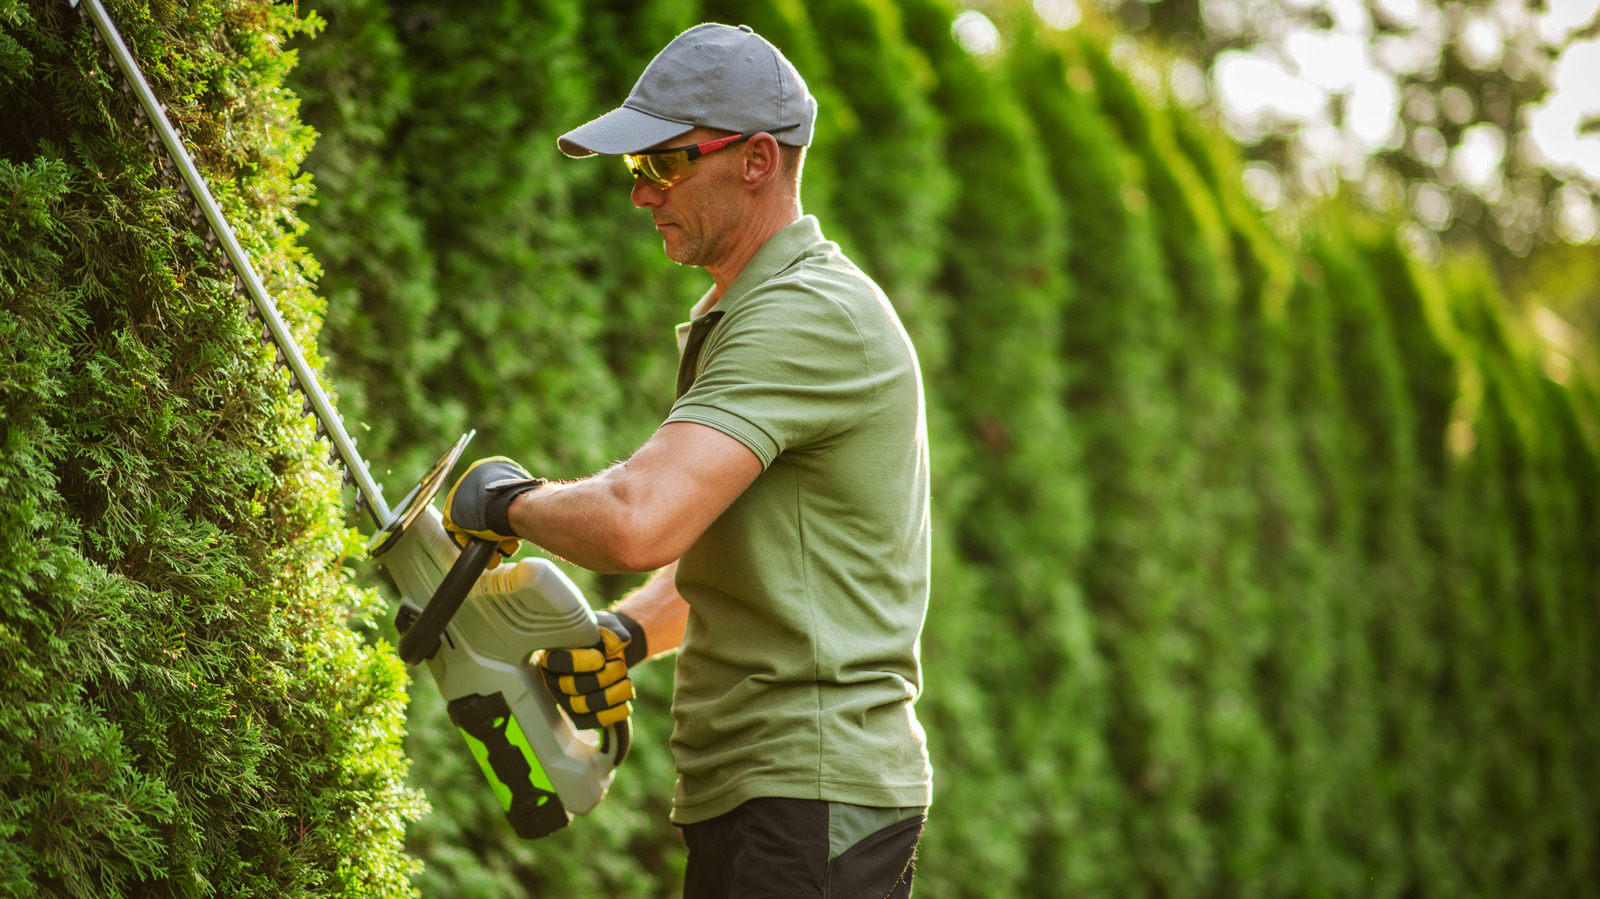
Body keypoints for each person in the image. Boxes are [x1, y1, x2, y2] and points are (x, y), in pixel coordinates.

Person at [442, 23, 932, 899]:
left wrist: (507, 500)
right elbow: (747, 550)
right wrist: (624, 636)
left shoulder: (806, 314)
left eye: (663, 165)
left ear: (754, 160)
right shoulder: (759, 310)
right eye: (636, 171)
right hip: (766, 792)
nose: (640, 195)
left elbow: (640, 519)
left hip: (810, 793)